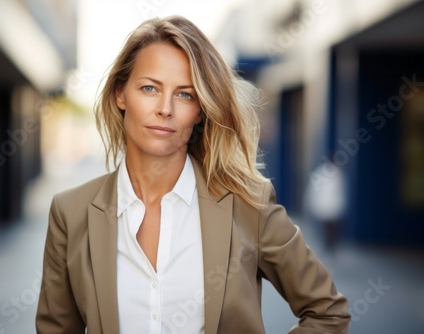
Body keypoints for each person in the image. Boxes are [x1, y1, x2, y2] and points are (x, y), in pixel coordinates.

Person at [36, 16, 350, 333]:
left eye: (185, 94)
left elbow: (328, 312)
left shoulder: (247, 206)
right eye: (149, 88)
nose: (165, 108)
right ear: (121, 94)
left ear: (200, 110)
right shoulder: (71, 213)